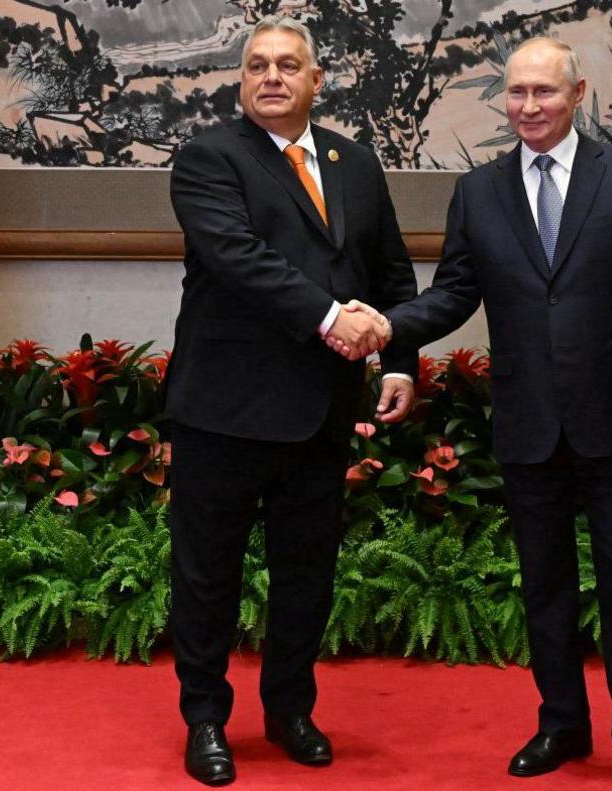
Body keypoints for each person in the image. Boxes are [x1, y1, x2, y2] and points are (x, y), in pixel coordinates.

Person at [335, 37, 612, 791]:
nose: (529, 107)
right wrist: (388, 327)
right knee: (545, 585)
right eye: (517, 93)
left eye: (544, 92)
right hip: (528, 421)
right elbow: (455, 292)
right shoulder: (480, 189)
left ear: (578, 93)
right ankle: (562, 723)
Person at [165, 14, 417, 786]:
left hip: (320, 409)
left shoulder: (355, 161)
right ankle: (206, 717)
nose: (271, 76)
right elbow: (239, 260)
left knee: (306, 570)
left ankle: (289, 710)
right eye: (256, 65)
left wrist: (399, 359)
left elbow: (392, 272)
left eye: (287, 65)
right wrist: (332, 317)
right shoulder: (209, 158)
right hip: (224, 411)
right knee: (208, 572)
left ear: (317, 80)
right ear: (241, 82)